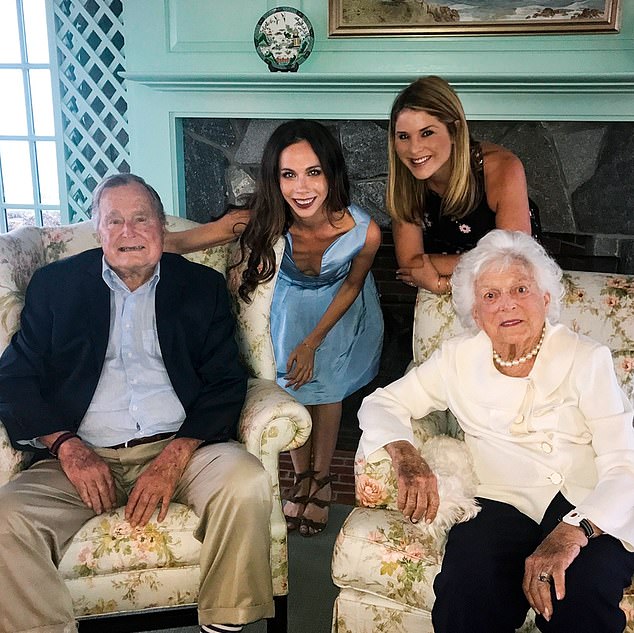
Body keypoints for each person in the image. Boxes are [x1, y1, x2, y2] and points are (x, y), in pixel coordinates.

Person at [0, 173, 273, 633]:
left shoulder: (200, 288)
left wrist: (177, 453)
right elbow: (14, 377)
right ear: (98, 231)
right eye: (115, 221)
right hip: (80, 455)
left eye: (141, 219)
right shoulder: (55, 287)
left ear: (162, 227)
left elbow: (226, 380)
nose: (129, 232)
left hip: (183, 449)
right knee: (4, 520)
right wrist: (66, 446)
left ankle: (226, 621)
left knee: (246, 482)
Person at [358, 229, 634, 633]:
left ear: (544, 299)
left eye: (520, 289)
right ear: (475, 312)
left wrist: (575, 531)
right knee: (465, 590)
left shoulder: (587, 358)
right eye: (490, 295)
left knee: (580, 593)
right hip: (500, 500)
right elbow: (382, 402)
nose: (507, 304)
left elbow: (624, 463)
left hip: (587, 503)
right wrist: (406, 455)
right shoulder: (457, 358)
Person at [169, 120, 384, 537]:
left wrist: (313, 341)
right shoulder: (255, 219)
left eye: (313, 172)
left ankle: (321, 480)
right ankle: (300, 476)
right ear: (275, 178)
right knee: (289, 388)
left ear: (331, 173)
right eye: (288, 175)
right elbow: (181, 242)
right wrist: (119, 239)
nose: (301, 188)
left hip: (339, 309)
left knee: (328, 389)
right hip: (287, 307)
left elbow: (354, 283)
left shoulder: (365, 231)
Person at [387, 75, 535, 294]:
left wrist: (443, 284)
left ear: (455, 131)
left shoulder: (501, 168)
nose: (414, 149)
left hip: (514, 290)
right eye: (403, 136)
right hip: (444, 292)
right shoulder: (405, 178)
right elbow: (410, 265)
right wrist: (491, 260)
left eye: (427, 133)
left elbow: (514, 261)